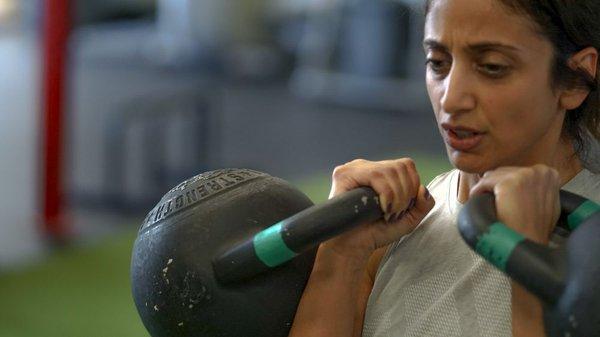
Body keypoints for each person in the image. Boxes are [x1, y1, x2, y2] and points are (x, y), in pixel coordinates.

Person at [288, 0, 600, 336]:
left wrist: (527, 263)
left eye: (492, 67)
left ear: (575, 81)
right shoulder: (393, 232)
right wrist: (341, 252)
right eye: (438, 63)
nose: (451, 99)